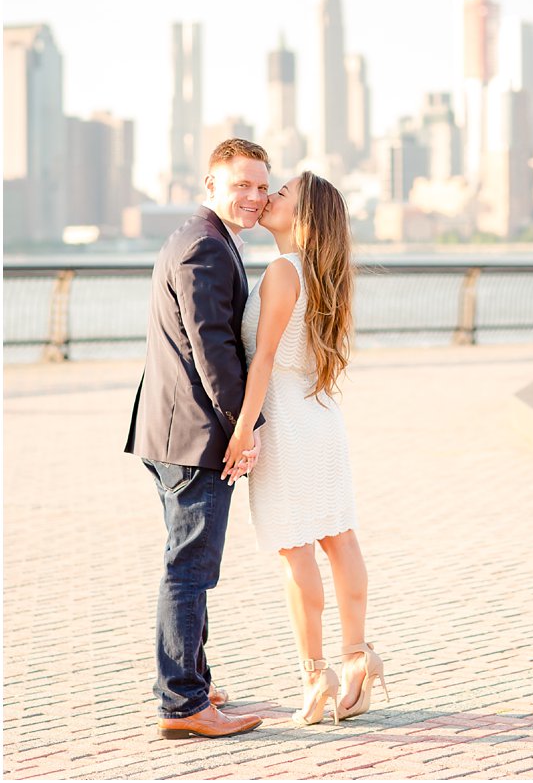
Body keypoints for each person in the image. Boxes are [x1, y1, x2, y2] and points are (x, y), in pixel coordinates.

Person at [221, 171, 387, 726]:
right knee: (338, 537)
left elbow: (262, 360)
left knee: (295, 547)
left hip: (288, 419)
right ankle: (358, 659)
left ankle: (317, 674)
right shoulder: (326, 275)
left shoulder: (282, 271)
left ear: (303, 215)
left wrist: (244, 429)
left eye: (282, 193)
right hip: (320, 414)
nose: (268, 198)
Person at [124, 137, 271, 739]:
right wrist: (246, 429)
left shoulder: (203, 238)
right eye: (242, 184)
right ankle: (183, 705)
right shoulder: (206, 248)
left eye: (263, 186)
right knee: (189, 568)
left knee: (189, 563)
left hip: (175, 431)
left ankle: (192, 682)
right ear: (210, 185)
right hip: (193, 437)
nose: (255, 197)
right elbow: (212, 352)